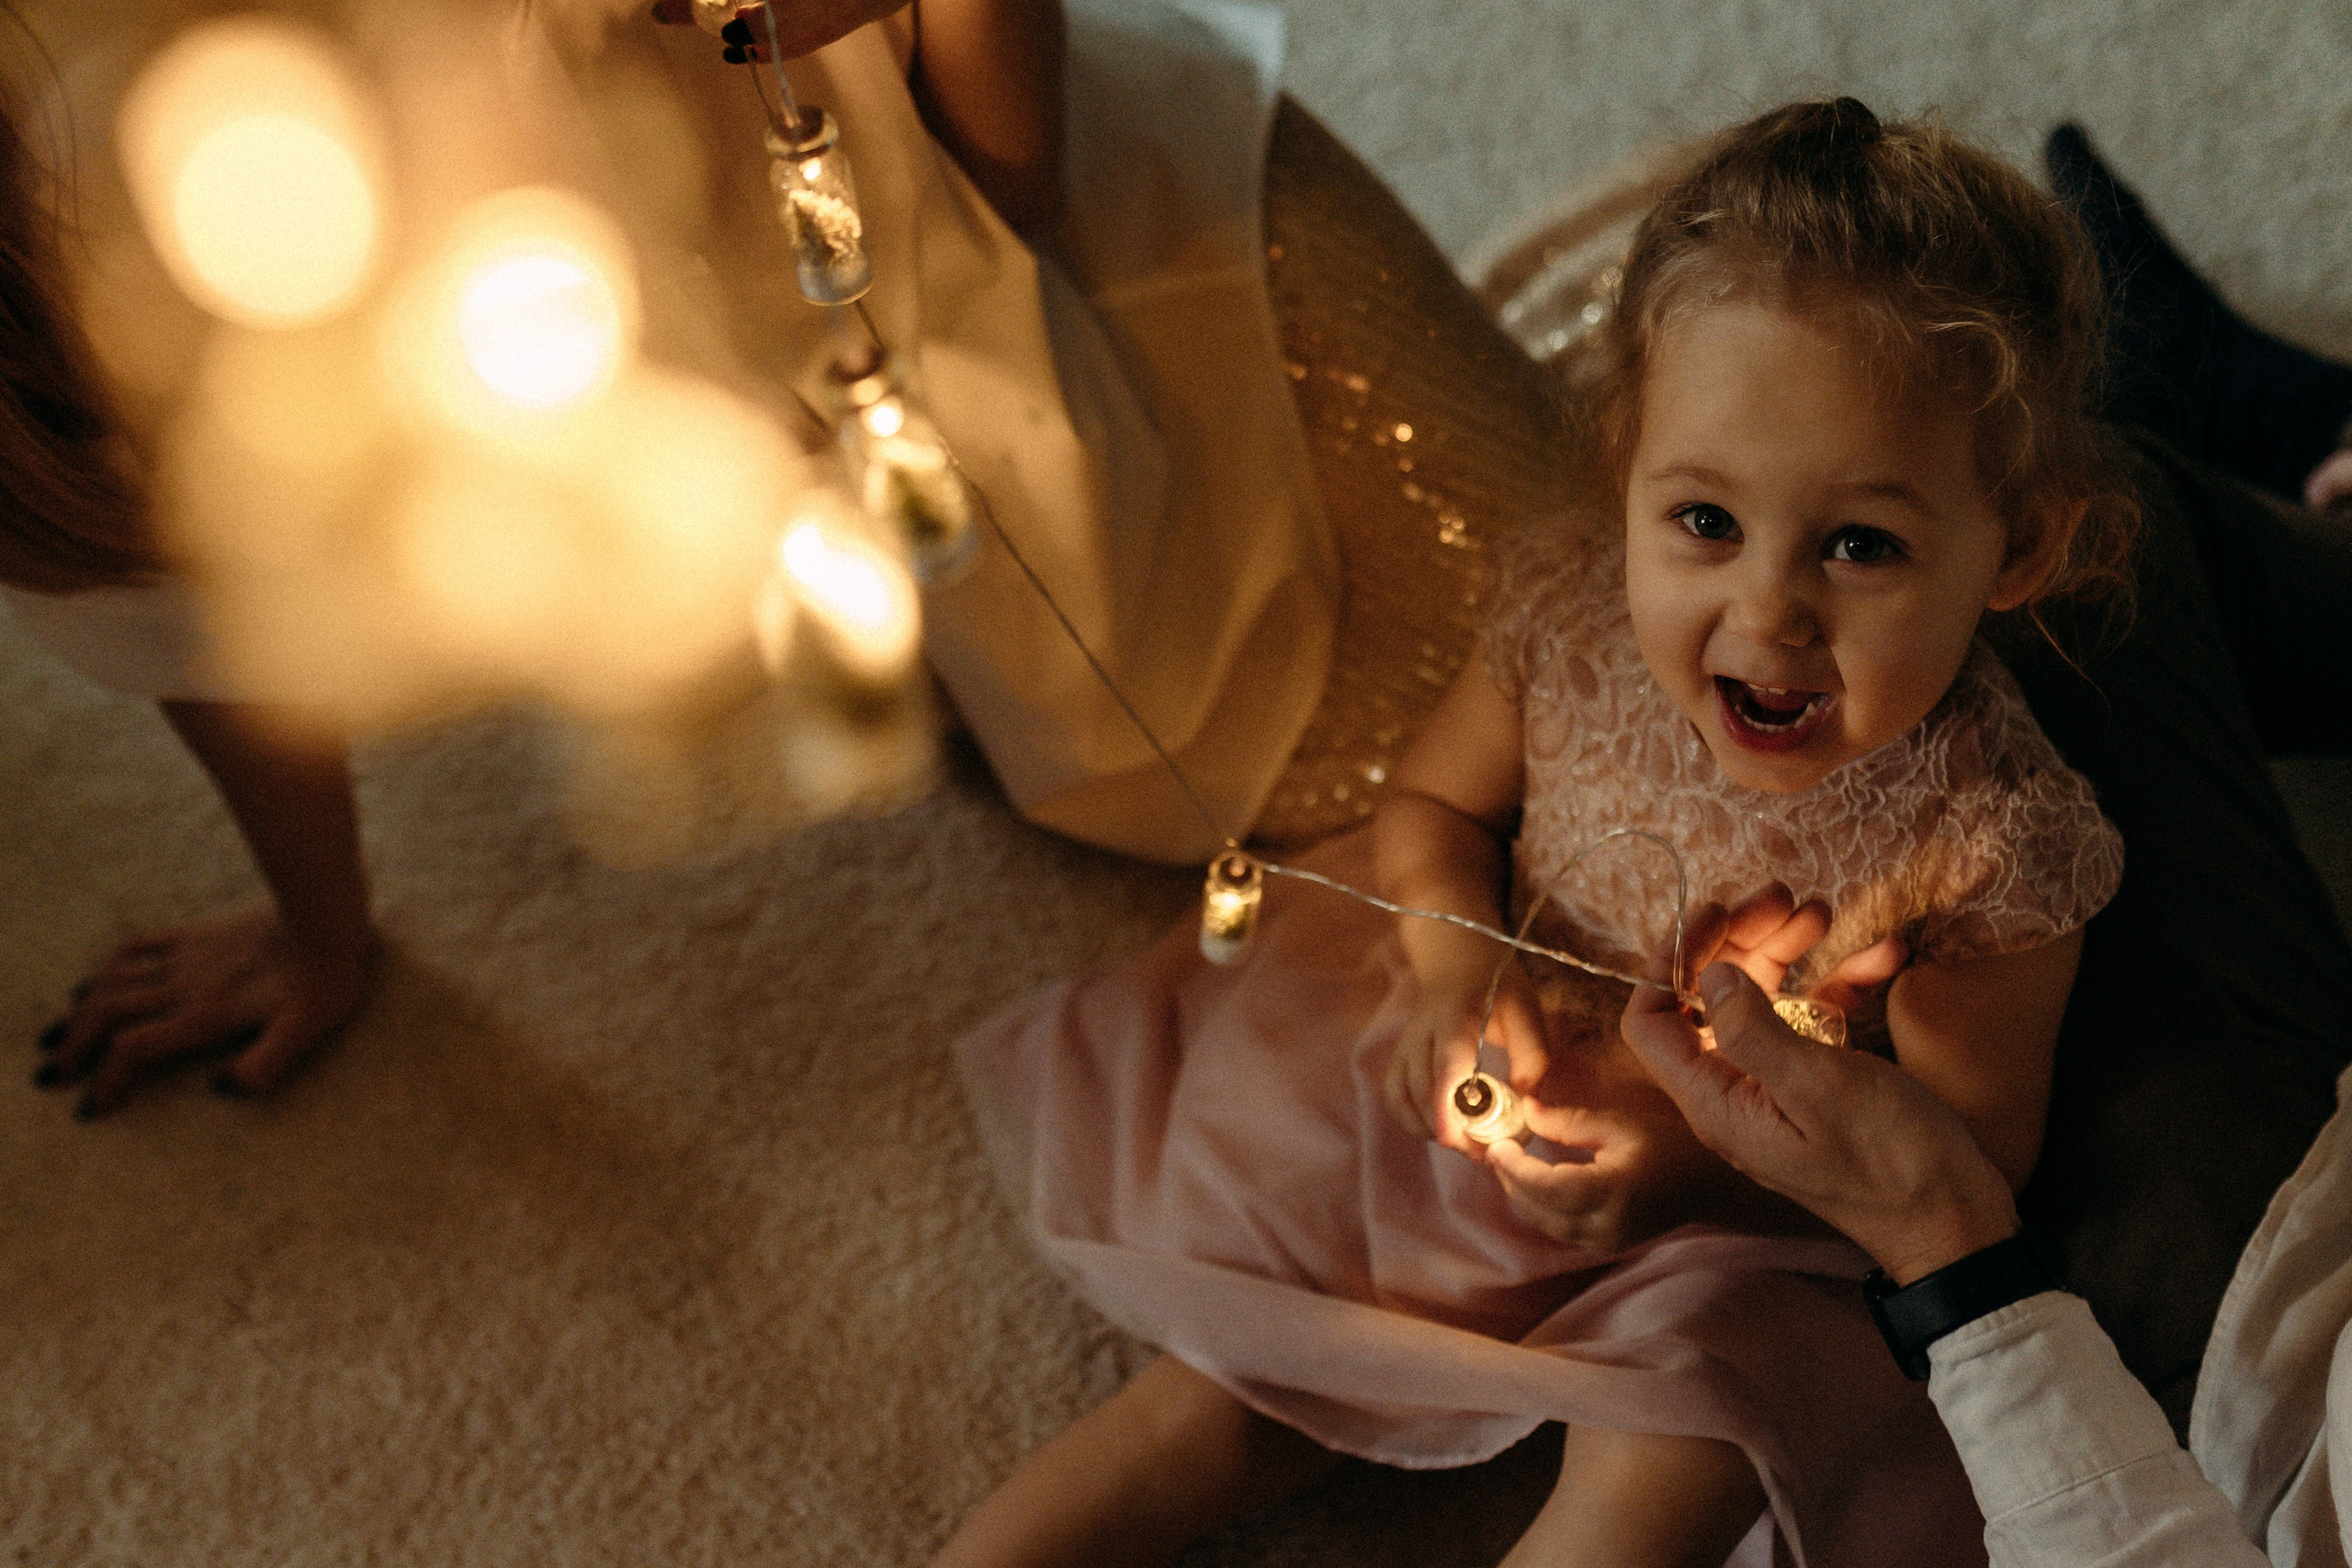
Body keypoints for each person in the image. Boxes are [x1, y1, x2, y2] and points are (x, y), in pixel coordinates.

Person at [946, 97, 2142, 1567]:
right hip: (1483, 1074)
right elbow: (1435, 806)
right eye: (1704, 521)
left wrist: (1693, 1169)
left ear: (2016, 548)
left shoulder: (1988, 840)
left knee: (1676, 1451)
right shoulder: (1572, 620)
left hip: (1743, 1224)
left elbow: (1959, 1165)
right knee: (1230, 1393)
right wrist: (1453, 989)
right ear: (1624, 464)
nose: (1767, 615)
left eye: (1859, 546)